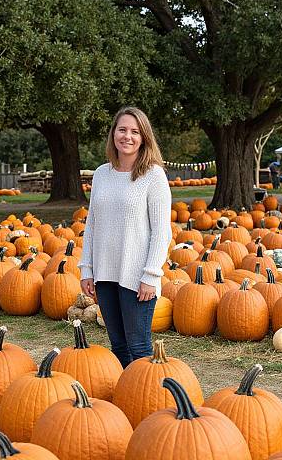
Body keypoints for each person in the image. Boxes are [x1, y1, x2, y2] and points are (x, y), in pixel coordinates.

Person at [79, 106, 172, 368]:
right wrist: (87, 269)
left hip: (137, 276)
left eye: (135, 131)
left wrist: (151, 275)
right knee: (118, 346)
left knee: (139, 347)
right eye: (122, 130)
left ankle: (147, 401)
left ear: (144, 138)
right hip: (105, 275)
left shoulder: (153, 176)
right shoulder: (101, 174)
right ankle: (124, 401)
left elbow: (161, 231)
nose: (127, 136)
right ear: (113, 134)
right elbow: (93, 225)